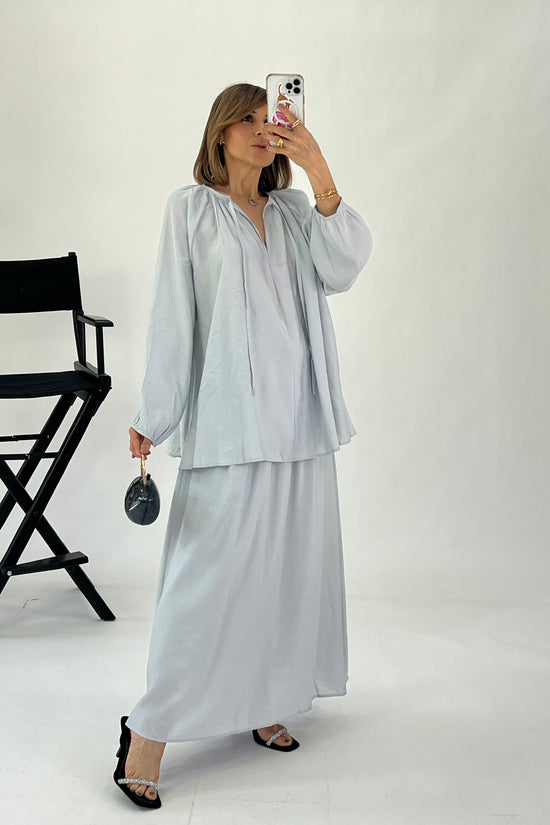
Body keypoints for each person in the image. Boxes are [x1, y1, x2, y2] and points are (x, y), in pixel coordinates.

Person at [113, 82, 372, 809]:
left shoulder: (294, 212)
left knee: (285, 572)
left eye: (273, 119)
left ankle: (264, 701)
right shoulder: (191, 210)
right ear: (220, 133)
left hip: (300, 419)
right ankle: (147, 734)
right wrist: (157, 412)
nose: (263, 129)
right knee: (207, 578)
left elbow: (345, 267)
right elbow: (173, 314)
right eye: (247, 119)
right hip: (230, 420)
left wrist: (315, 164)